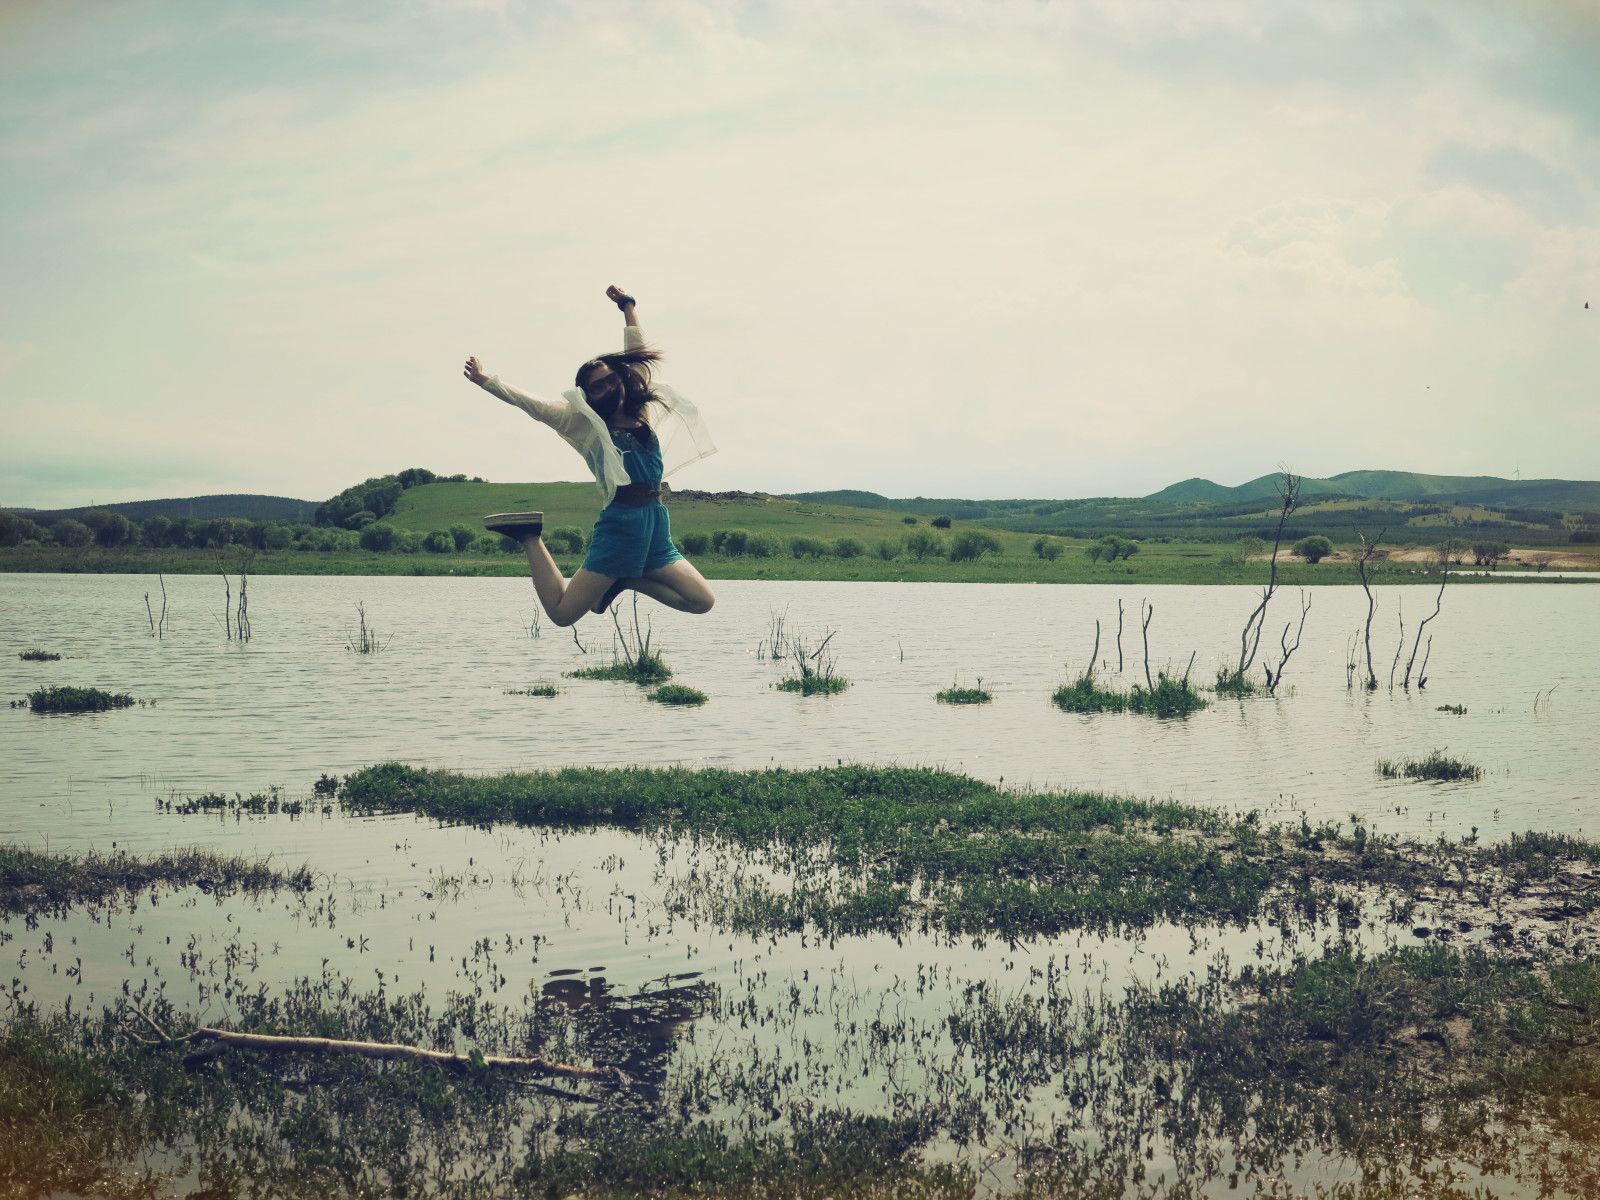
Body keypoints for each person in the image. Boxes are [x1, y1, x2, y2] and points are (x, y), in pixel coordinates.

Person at [463, 285, 717, 627]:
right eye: (598, 386)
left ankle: (625, 580)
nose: (609, 387)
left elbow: (636, 350)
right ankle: (528, 536)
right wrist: (487, 381)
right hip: (621, 525)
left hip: (656, 525)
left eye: (611, 379)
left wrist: (627, 306)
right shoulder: (581, 423)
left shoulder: (640, 409)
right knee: (562, 613)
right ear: (587, 395)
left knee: (701, 601)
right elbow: (533, 406)